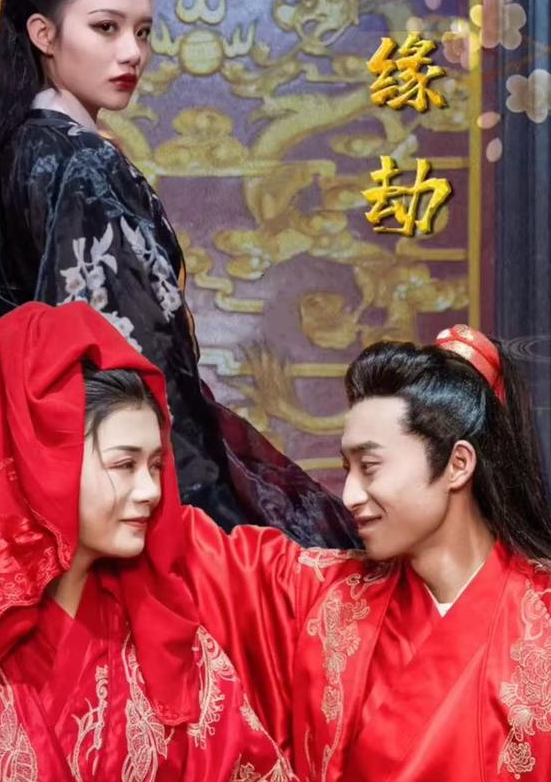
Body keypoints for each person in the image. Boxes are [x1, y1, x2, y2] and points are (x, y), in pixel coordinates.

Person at [0, 0, 356, 546]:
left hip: (71, 477)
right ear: (44, 34)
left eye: (141, 31)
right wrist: (212, 513)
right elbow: (132, 357)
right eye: (105, 28)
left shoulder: (23, 145)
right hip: (125, 477)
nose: (131, 53)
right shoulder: (75, 161)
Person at [0, 301, 296, 781]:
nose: (151, 491)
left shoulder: (166, 641)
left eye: (156, 466)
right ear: (44, 467)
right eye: (124, 465)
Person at [181, 325, 551, 781]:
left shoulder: (541, 619)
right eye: (347, 468)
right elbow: (190, 553)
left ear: (458, 465)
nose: (350, 495)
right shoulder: (321, 596)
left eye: (370, 467)